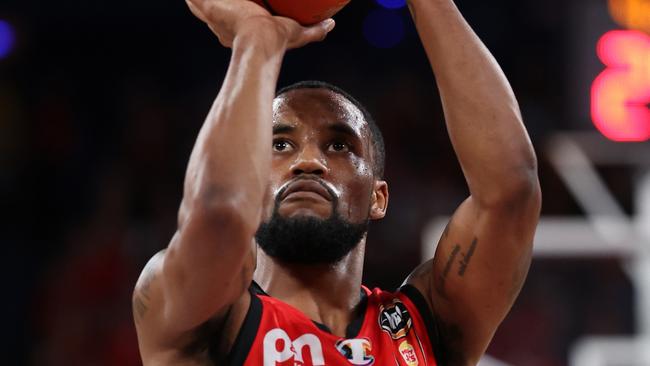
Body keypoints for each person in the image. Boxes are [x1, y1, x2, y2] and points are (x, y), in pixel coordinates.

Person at [132, 0, 542, 364]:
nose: (308, 161)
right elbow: (217, 216)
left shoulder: (427, 325)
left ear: (379, 198)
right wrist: (258, 40)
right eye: (279, 144)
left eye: (339, 146)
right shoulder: (211, 318)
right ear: (252, 177)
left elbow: (511, 190)